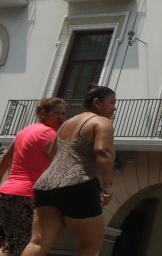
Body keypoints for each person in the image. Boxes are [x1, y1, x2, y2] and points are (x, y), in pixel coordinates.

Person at [21, 85, 116, 256]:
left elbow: (51, 153)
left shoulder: (66, 124)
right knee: (90, 247)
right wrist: (107, 186)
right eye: (111, 102)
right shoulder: (102, 122)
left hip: (46, 185)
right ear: (96, 102)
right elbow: (103, 152)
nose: (114, 107)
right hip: (78, 183)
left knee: (38, 242)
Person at [0, 97, 68, 255]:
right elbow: (60, 164)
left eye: (63, 113)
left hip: (6, 195)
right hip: (26, 197)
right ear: (43, 113)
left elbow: (5, 159)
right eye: (57, 113)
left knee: (12, 244)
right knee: (27, 244)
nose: (62, 117)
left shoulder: (24, 131)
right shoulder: (48, 134)